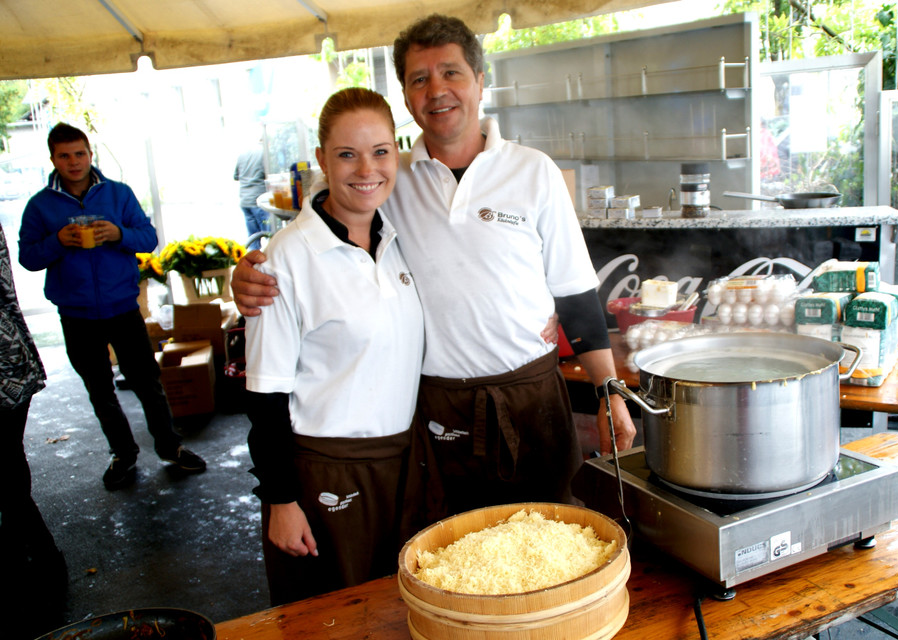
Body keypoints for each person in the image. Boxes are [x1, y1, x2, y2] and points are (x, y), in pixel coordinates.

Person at [233, 14, 635, 517]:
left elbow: (575, 295)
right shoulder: (389, 178)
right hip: (440, 410)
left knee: (551, 540)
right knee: (457, 556)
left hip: (533, 398)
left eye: (451, 73)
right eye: (419, 79)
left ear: (480, 81)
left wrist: (608, 391)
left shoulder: (534, 172)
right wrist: (256, 272)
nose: (436, 90)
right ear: (405, 96)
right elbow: (322, 218)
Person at [244, 88, 426, 605]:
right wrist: (280, 499)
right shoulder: (287, 258)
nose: (366, 169)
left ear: (398, 153)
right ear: (321, 159)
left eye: (381, 151)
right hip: (327, 471)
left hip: (402, 463)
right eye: (347, 154)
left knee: (398, 616)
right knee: (332, 629)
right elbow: (264, 396)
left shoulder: (394, 238)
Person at [18, 123, 206, 490]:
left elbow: (148, 238)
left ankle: (171, 446)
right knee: (100, 389)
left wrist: (119, 235)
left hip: (123, 307)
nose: (74, 162)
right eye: (64, 155)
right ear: (53, 158)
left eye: (80, 153)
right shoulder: (40, 206)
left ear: (91, 154)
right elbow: (27, 257)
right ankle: (124, 454)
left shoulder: (118, 195)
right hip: (75, 313)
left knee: (147, 383)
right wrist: (58, 240)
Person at [0, 223, 68, 640]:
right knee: (8, 475)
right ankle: (38, 569)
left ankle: (37, 577)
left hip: (5, 370)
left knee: (7, 475)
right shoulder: (43, 206)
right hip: (11, 362)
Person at [234, 140, 270, 237]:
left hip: (245, 201)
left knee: (253, 239)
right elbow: (268, 174)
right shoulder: (264, 153)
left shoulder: (242, 154)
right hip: (259, 201)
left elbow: (235, 176)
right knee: (269, 236)